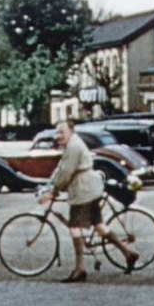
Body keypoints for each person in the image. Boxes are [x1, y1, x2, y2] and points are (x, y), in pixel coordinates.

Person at [39, 120, 139, 283]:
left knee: (74, 227)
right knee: (98, 225)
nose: (58, 136)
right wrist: (51, 183)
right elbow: (61, 168)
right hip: (90, 188)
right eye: (57, 132)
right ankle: (128, 253)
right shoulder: (73, 144)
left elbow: (66, 172)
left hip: (83, 190)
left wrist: (54, 191)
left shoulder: (73, 147)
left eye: (61, 132)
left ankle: (80, 269)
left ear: (71, 131)